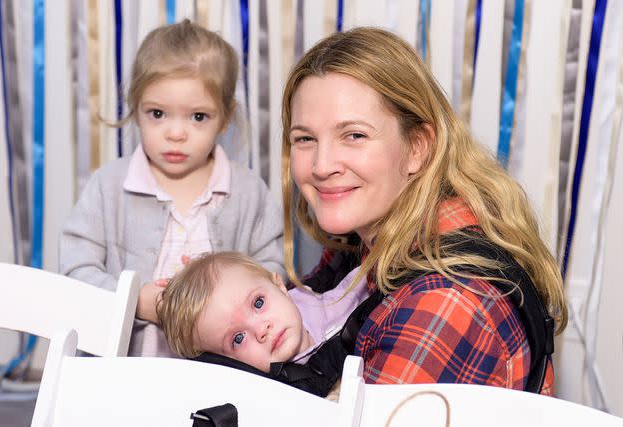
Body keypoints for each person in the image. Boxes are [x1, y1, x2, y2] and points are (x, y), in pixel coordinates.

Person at [280, 27, 567, 395]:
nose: (321, 166)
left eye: (354, 135)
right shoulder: (366, 240)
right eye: (305, 138)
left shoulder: (447, 300)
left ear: (417, 147)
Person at [59, 20, 283, 356]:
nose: (175, 133)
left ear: (224, 118)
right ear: (136, 109)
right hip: (127, 368)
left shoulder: (248, 193)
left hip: (220, 369)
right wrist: (135, 300)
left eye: (197, 117)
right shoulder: (108, 187)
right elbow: (76, 270)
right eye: (158, 113)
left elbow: (272, 271)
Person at [156, 251, 367, 373]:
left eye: (258, 303)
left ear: (279, 286)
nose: (261, 329)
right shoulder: (273, 390)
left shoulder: (314, 302)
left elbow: (360, 287)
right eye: (238, 338)